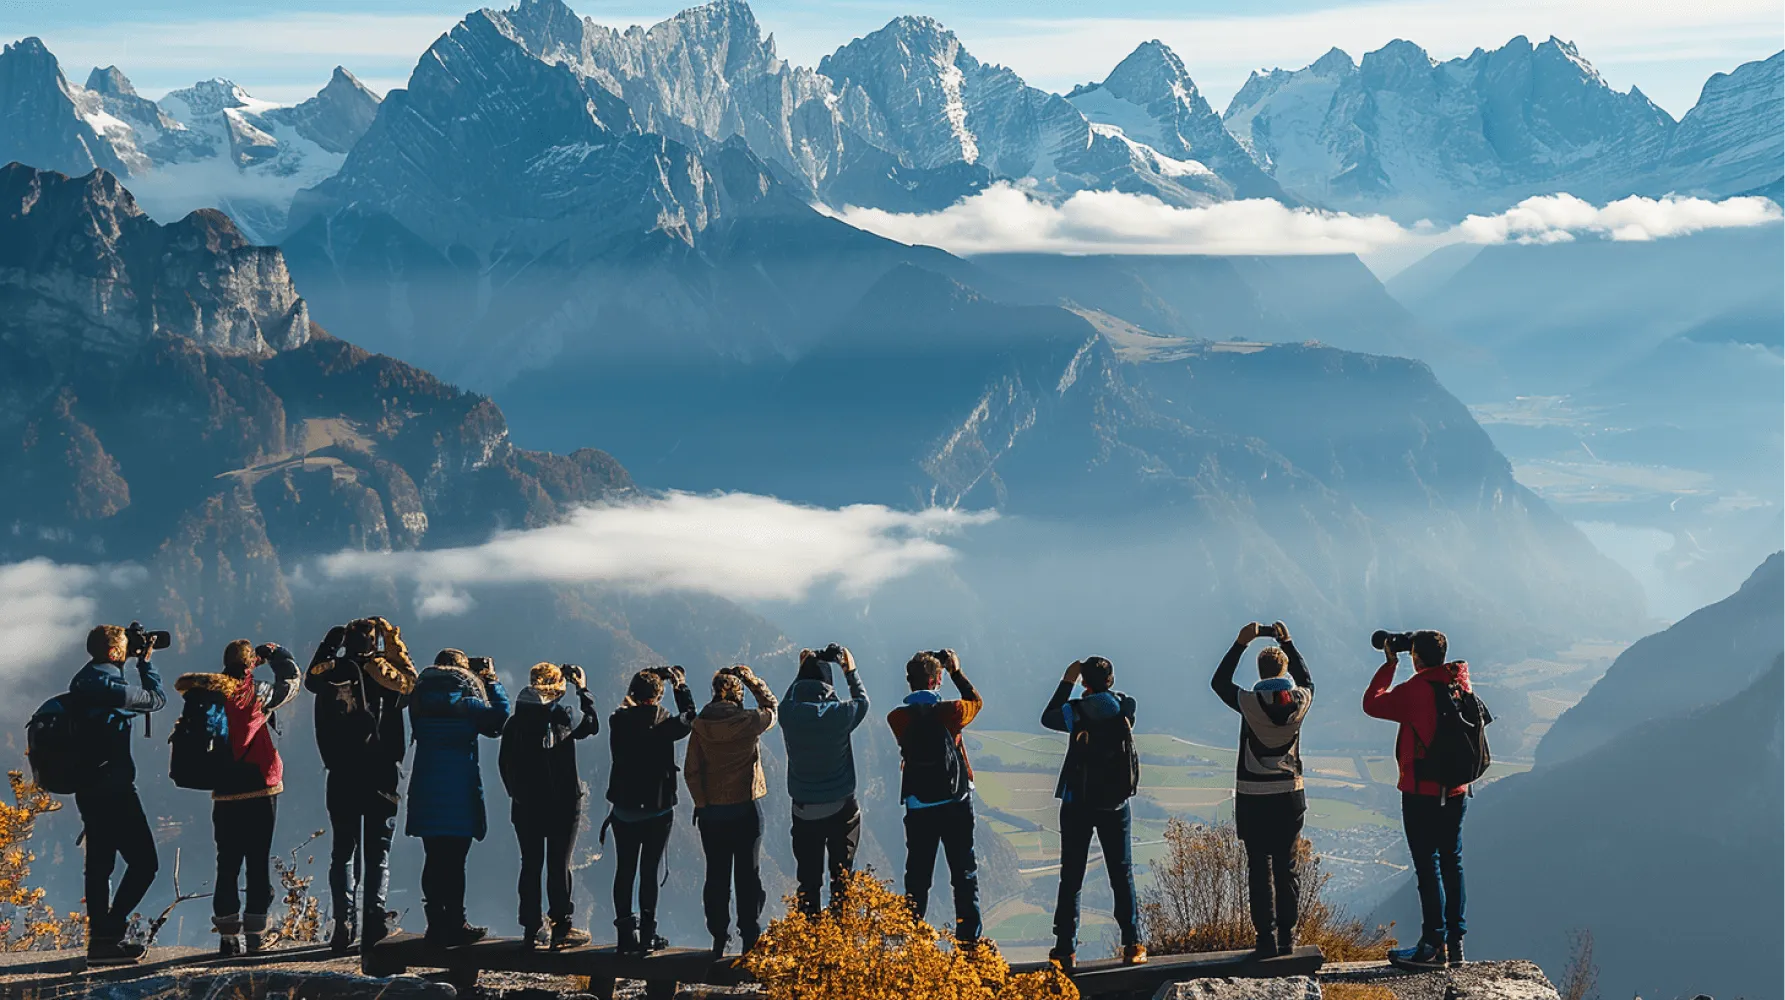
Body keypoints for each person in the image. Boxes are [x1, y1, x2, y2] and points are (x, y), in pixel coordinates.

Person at [176, 639, 301, 956]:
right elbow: (290, 683)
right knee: (257, 862)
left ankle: (228, 937)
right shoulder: (256, 692)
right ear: (250, 664)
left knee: (227, 864)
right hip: (260, 786)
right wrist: (276, 654)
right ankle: (256, 935)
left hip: (224, 789)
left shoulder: (208, 694)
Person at [306, 617, 417, 954]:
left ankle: (343, 923)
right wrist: (392, 638)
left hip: (340, 774)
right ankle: (373, 923)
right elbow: (411, 682)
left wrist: (329, 643)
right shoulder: (385, 677)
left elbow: (309, 680)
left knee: (343, 853)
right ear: (373, 642)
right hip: (381, 774)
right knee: (378, 855)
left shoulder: (327, 675)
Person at [1363, 630, 1472, 970]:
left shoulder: (1414, 690)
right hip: (1455, 791)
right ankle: (1456, 944)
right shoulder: (1460, 682)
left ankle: (1431, 945)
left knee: (1428, 867)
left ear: (1416, 657)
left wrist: (1390, 665)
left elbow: (1372, 703)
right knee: (1452, 863)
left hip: (1421, 793)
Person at [1211, 622, 1314, 959]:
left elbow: (1218, 683)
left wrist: (1240, 642)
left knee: (1258, 866)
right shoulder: (1300, 700)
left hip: (1253, 796)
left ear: (1260, 670)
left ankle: (1264, 939)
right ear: (1285, 669)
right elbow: (1308, 681)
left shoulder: (1249, 701)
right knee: (1287, 866)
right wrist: (1289, 641)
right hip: (1289, 795)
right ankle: (1287, 937)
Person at [67, 624, 167, 966]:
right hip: (115, 789)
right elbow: (156, 699)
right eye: (125, 647)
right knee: (145, 863)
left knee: (99, 867)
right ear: (114, 653)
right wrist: (146, 664)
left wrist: (129, 653)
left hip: (88, 787)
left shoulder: (83, 679)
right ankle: (110, 930)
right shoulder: (110, 688)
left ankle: (100, 944)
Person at [1042, 656, 1145, 970]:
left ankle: (1064, 950)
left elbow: (1047, 717)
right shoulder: (1125, 709)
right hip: (1115, 803)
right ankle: (1133, 943)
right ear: (1110, 680)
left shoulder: (1075, 712)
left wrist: (1066, 680)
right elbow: (1122, 704)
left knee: (1071, 876)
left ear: (1084, 682)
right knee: (1122, 874)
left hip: (1078, 802)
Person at [407, 649, 510, 946]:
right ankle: (455, 922)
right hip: (460, 790)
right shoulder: (469, 704)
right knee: (455, 862)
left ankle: (435, 923)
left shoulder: (418, 700)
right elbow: (500, 719)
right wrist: (491, 680)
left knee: (433, 858)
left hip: (426, 786)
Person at [498, 662, 599, 950]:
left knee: (530, 864)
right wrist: (582, 688)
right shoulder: (564, 716)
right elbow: (592, 724)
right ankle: (561, 927)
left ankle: (531, 928)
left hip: (525, 806)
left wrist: (516, 794)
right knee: (558, 864)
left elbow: (504, 764)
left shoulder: (514, 722)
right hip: (563, 805)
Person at [887, 649, 984, 946]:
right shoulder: (952, 711)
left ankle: (912, 942)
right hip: (955, 802)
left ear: (909, 682)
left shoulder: (898, 718)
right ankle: (968, 944)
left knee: (917, 876)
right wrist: (956, 672)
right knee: (963, 874)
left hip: (919, 806)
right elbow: (975, 703)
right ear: (937, 679)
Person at [685, 665, 778, 957]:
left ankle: (718, 937)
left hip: (712, 812)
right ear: (738, 695)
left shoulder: (700, 726)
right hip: (745, 809)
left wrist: (702, 803)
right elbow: (772, 708)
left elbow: (691, 771)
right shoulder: (749, 721)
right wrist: (753, 681)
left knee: (717, 875)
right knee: (748, 875)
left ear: (714, 692)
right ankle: (750, 936)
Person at [604, 666, 696, 955]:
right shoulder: (665, 725)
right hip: (657, 810)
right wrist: (680, 685)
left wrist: (650, 676)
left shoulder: (617, 720)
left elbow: (628, 707)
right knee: (648, 872)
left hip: (624, 809)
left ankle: (624, 936)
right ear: (659, 695)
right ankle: (647, 934)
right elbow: (691, 715)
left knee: (624, 870)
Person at [779, 645, 870, 915]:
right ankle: (839, 939)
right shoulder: (840, 715)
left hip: (804, 810)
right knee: (841, 880)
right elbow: (862, 701)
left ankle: (811, 941)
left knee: (808, 882)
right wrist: (850, 671)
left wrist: (803, 669)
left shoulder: (789, 715)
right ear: (828, 686)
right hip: (842, 808)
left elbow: (787, 700)